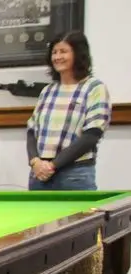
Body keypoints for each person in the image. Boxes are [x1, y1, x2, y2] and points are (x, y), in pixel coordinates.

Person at [27, 31, 110, 190]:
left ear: (78, 54)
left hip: (75, 175)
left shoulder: (94, 88)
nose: (57, 57)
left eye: (63, 51)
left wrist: (53, 165)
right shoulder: (48, 91)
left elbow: (92, 135)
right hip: (39, 175)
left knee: (79, 217)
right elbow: (32, 131)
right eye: (54, 52)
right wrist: (35, 162)